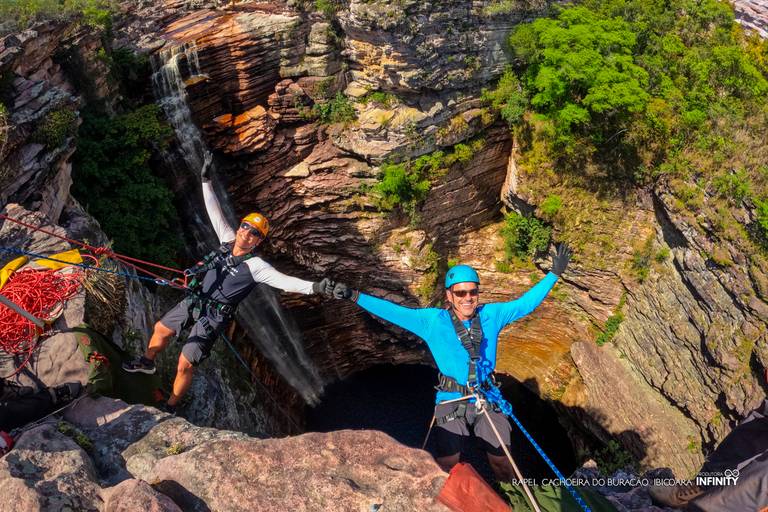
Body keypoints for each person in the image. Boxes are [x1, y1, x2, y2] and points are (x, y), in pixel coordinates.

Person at [332, 244, 571, 481]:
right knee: (447, 464)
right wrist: (355, 296)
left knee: (502, 463)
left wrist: (554, 274)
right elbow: (392, 311)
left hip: (485, 394)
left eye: (472, 292)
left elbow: (525, 304)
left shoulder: (492, 315)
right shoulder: (432, 321)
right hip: (451, 397)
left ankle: (509, 497)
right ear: (449, 295)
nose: (468, 298)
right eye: (460, 293)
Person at [123, 152, 334, 412]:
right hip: (196, 298)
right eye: (245, 226)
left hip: (213, 317)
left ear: (258, 241)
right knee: (160, 329)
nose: (247, 232)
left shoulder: (256, 267)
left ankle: (171, 405)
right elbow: (214, 211)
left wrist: (316, 287)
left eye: (254, 232)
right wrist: (205, 179)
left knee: (185, 363)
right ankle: (147, 362)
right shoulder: (227, 240)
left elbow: (285, 283)